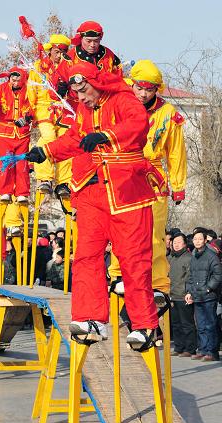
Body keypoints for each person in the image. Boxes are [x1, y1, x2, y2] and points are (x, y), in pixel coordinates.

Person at [27, 62, 166, 345]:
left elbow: (138, 124)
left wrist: (106, 136)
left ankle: (146, 325)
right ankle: (90, 319)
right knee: (86, 257)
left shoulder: (123, 98)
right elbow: (75, 139)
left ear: (97, 82)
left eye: (84, 91)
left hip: (127, 193)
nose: (82, 98)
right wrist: (47, 151)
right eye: (77, 94)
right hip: (91, 191)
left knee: (133, 260)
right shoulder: (83, 109)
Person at [110, 61, 187, 300]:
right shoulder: (117, 104)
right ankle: (118, 275)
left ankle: (156, 282)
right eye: (140, 87)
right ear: (132, 84)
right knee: (122, 228)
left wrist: (179, 184)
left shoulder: (168, 113)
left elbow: (176, 151)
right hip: (122, 171)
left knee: (154, 231)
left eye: (150, 89)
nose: (143, 93)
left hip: (153, 175)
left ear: (156, 89)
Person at [27, 33, 72, 195]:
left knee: (66, 142)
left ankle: (64, 181)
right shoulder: (38, 67)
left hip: (63, 108)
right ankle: (45, 177)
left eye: (63, 52)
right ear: (50, 51)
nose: (60, 56)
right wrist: (29, 112)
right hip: (43, 107)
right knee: (49, 137)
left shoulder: (69, 67)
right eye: (57, 52)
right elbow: (31, 91)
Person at [0, 67, 33, 202]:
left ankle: (22, 192)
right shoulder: (1, 89)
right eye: (13, 80)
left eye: (18, 80)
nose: (15, 83)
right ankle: (5, 191)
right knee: (6, 163)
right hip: (4, 132)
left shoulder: (29, 90)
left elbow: (34, 107)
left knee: (22, 163)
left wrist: (27, 118)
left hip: (22, 133)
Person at [185, 230, 222, 361]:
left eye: (200, 239)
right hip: (197, 296)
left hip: (209, 296)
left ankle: (212, 352)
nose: (197, 241)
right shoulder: (193, 256)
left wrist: (208, 288)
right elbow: (190, 277)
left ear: (205, 240)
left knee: (210, 324)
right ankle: (202, 349)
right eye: (195, 239)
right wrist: (189, 292)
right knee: (200, 325)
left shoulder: (212, 256)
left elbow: (218, 275)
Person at [168, 233, 197, 356]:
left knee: (187, 324)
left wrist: (189, 292)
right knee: (176, 324)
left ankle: (189, 348)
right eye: (174, 242)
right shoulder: (171, 258)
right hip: (173, 295)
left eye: (179, 242)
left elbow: (191, 276)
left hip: (184, 295)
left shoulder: (189, 258)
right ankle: (179, 347)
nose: (176, 244)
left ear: (185, 244)